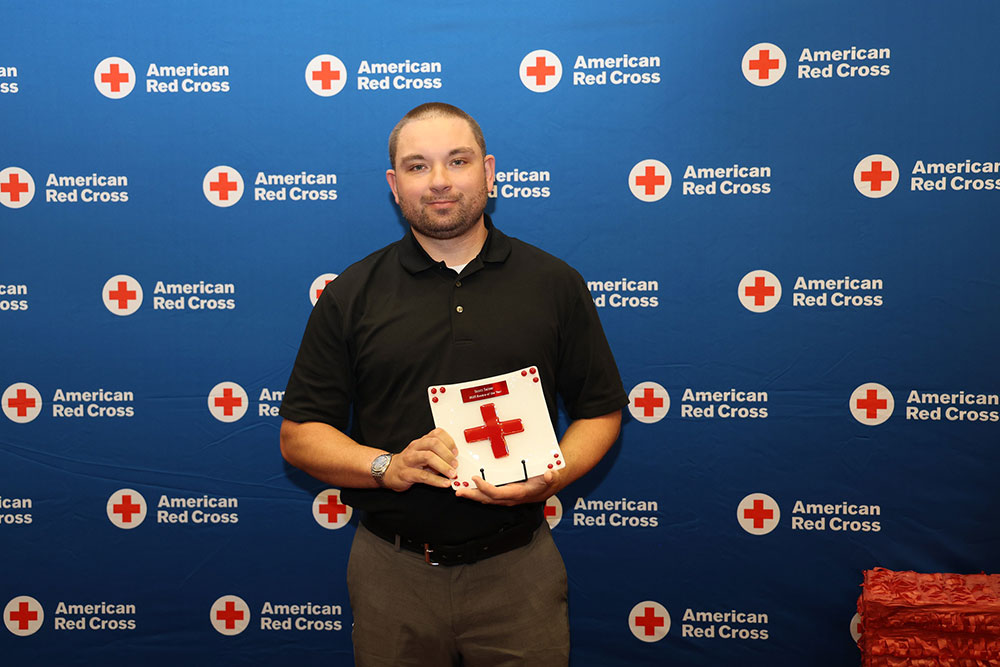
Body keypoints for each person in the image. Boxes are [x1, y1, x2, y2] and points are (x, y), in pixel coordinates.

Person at [279, 102, 626, 667]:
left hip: (520, 570)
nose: (438, 181)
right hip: (393, 574)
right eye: (417, 167)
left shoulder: (554, 283)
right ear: (395, 186)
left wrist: (548, 477)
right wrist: (385, 468)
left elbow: (601, 411)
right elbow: (299, 435)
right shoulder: (351, 294)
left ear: (489, 172)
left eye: (457, 161)